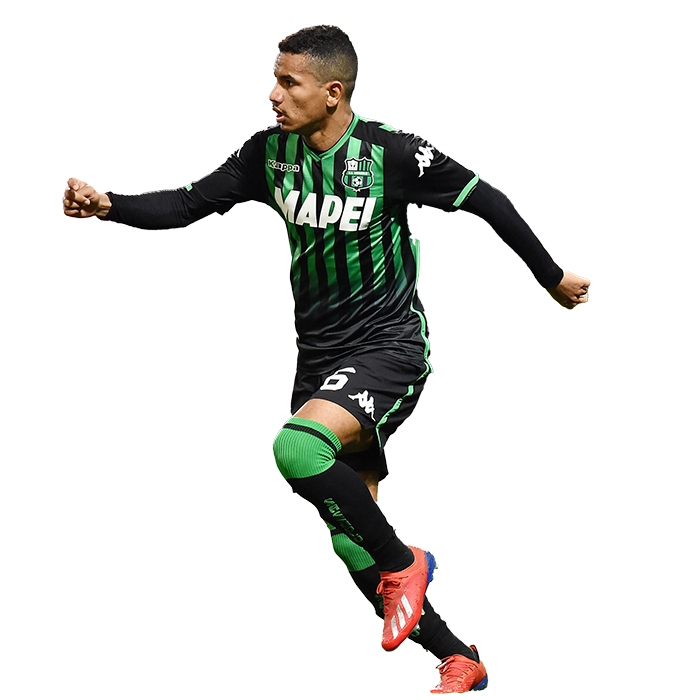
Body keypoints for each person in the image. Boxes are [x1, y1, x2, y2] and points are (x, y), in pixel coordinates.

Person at [63, 24, 589, 693]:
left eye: (290, 83)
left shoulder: (393, 154)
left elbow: (488, 201)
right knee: (349, 537)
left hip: (388, 347)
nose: (274, 96)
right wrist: (108, 205)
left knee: (298, 450)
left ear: (332, 92)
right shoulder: (269, 155)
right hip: (320, 361)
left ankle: (407, 561)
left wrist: (551, 278)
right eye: (275, 80)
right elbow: (190, 204)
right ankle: (460, 658)